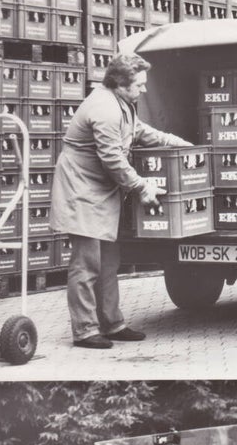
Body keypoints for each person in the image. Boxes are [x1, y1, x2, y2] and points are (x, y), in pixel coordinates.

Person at [49, 53, 192, 349]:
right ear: (120, 83)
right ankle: (85, 330)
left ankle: (112, 323)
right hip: (82, 192)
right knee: (86, 264)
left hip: (100, 192)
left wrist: (181, 144)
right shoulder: (104, 108)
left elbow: (140, 132)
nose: (144, 89)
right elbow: (112, 158)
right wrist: (141, 186)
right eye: (139, 84)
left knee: (109, 262)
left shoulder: (122, 104)